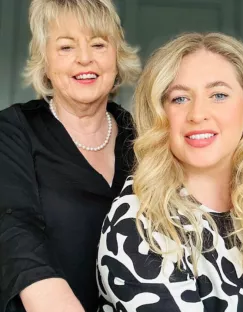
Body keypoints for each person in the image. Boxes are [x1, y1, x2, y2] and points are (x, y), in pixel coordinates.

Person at [96, 32, 243, 312]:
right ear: (160, 116)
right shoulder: (137, 222)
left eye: (219, 95)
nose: (197, 114)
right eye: (179, 99)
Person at [0, 0, 141, 311]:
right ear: (45, 61)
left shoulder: (144, 138)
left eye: (98, 44)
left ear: (116, 55)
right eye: (66, 47)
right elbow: (14, 228)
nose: (85, 58)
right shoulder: (12, 130)